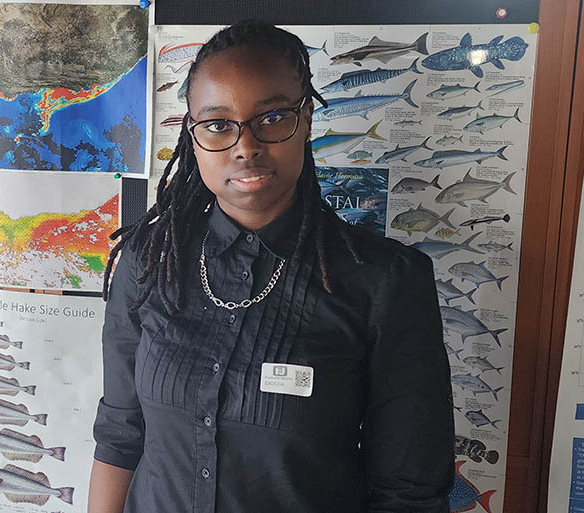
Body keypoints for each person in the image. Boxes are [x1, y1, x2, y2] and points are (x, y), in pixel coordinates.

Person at [89, 20, 454, 513]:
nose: (245, 146)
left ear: (305, 120)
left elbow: (409, 493)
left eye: (272, 117)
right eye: (218, 124)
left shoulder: (385, 282)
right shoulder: (150, 261)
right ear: (193, 137)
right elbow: (119, 438)